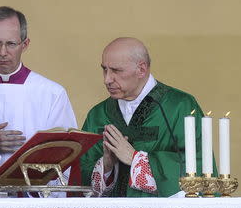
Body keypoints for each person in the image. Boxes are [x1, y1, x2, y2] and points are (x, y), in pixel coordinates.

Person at [0, 6, 77, 190]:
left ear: (25, 44)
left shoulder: (51, 93)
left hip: (31, 198)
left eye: (11, 44)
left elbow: (63, 154)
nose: (2, 52)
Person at [80, 37, 211, 197]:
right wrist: (106, 165)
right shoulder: (98, 114)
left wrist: (135, 159)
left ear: (141, 69)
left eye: (116, 70)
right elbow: (80, 174)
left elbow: (199, 166)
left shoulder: (179, 106)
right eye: (104, 69)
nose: (107, 79)